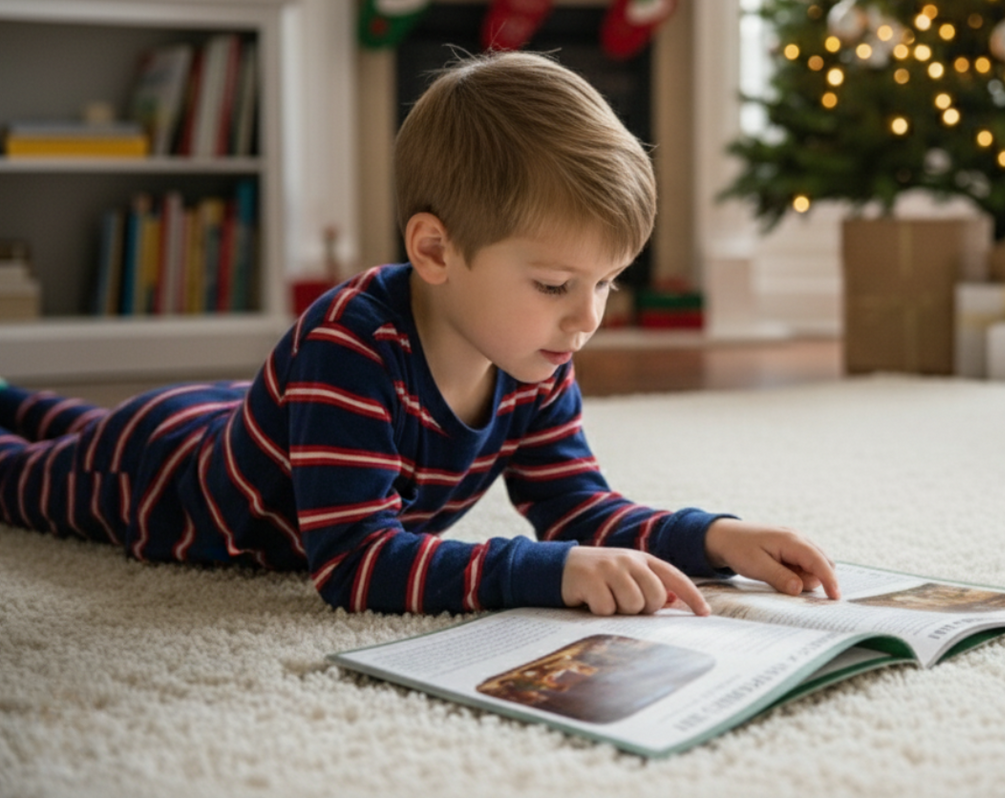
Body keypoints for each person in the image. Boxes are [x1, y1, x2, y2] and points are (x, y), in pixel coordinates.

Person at [0, 51, 839, 616]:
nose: (586, 319)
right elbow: (355, 562)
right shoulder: (348, 347)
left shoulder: (533, 354)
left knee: (62, 415)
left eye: (606, 284)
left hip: (240, 418)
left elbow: (576, 506)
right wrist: (550, 574)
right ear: (434, 250)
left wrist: (714, 538)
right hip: (161, 475)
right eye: (554, 285)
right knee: (30, 466)